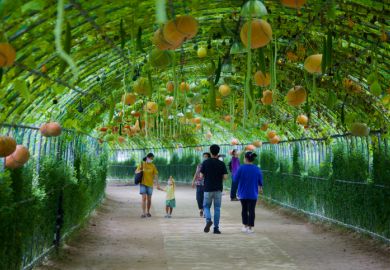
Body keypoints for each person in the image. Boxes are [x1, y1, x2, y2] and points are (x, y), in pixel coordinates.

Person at [200, 144, 228, 234]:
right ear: (218, 152)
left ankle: (208, 220)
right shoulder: (221, 163)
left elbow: (201, 176)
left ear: (210, 151)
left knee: (206, 206)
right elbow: (225, 177)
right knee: (217, 208)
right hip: (218, 189)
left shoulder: (205, 162)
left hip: (207, 188)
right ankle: (216, 228)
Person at [234, 151, 263, 234]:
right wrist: (260, 187)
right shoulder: (257, 169)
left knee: (244, 209)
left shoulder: (241, 168)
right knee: (252, 210)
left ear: (245, 159)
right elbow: (260, 181)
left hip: (242, 193)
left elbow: (235, 179)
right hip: (253, 193)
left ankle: (245, 226)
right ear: (252, 159)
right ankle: (250, 228)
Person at [135, 153, 159, 218]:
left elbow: (156, 175)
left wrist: (157, 184)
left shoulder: (153, 166)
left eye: (152, 159)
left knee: (149, 199)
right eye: (151, 158)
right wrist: (140, 170)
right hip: (143, 183)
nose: (151, 160)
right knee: (144, 198)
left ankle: (148, 212)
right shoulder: (142, 164)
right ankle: (143, 213)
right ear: (147, 157)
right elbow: (136, 171)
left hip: (150, 184)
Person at [192, 152, 211, 217]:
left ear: (209, 157)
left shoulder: (210, 165)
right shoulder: (199, 165)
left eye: (206, 156)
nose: (205, 158)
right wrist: (193, 181)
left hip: (207, 184)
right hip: (199, 183)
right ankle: (201, 209)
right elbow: (196, 173)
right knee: (198, 197)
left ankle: (205, 211)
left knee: (205, 198)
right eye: (204, 156)